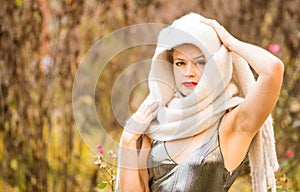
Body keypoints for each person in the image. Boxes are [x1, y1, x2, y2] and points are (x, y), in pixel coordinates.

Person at [116, 13, 284, 192]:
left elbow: (273, 69)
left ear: (217, 64)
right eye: (180, 63)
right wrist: (127, 140)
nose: (189, 72)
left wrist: (230, 43)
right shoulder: (155, 125)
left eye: (200, 62)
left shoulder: (233, 124)